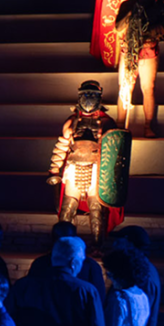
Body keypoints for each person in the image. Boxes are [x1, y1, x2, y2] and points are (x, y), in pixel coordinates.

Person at [49, 81, 126, 239]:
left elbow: (112, 151)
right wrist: (54, 169)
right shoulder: (72, 122)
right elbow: (62, 146)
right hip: (73, 167)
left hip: (96, 170)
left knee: (96, 210)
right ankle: (62, 241)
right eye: (86, 94)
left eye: (92, 95)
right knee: (67, 209)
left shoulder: (106, 123)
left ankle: (98, 244)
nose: (89, 98)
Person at [109, 0, 164, 137]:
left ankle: (148, 125)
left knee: (148, 88)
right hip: (130, 49)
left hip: (148, 48)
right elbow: (118, 27)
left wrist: (162, 2)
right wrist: (132, 12)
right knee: (125, 87)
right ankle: (120, 124)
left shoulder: (156, 5)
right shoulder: (128, 4)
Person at [112, 224, 163, 326]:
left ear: (129, 244)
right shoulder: (142, 271)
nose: (114, 246)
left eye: (119, 242)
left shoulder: (143, 275)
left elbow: (138, 318)